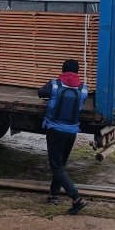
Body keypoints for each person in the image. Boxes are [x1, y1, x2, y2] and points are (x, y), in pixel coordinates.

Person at [37, 59, 88, 215]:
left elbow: (40, 93)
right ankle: (53, 195)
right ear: (77, 72)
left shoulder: (54, 84)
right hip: (72, 132)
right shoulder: (83, 88)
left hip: (55, 129)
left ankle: (76, 198)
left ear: (63, 70)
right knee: (60, 165)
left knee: (56, 166)